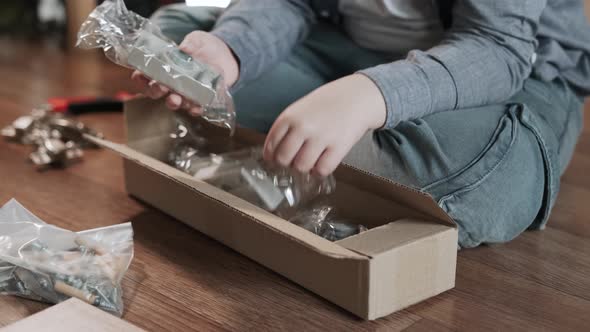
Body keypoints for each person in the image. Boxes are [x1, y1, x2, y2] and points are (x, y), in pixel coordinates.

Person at [132, 0, 590, 248]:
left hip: (505, 73)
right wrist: (231, 50)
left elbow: (494, 48)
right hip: (346, 48)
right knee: (175, 35)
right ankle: (334, 145)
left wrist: (372, 94)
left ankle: (319, 139)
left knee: (494, 180)